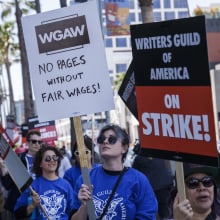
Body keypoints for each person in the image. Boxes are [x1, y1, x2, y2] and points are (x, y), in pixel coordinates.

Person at [69, 124, 158, 220]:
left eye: (112, 139)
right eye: (101, 139)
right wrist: (84, 206)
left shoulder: (139, 180)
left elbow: (147, 216)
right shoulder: (85, 179)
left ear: (124, 148)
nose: (105, 141)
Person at [14, 146, 75, 219]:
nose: (52, 160)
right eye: (47, 158)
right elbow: (17, 213)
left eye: (54, 157)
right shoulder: (33, 186)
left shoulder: (66, 185)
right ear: (40, 163)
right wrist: (32, 205)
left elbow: (72, 212)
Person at [0, 129, 42, 220]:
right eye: (34, 141)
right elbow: (8, 185)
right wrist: (3, 170)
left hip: (39, 203)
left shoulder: (45, 160)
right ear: (27, 143)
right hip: (20, 203)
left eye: (39, 142)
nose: (37, 144)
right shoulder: (18, 160)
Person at [131, 140, 174, 220]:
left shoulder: (139, 158)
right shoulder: (160, 154)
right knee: (164, 211)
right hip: (165, 186)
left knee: (150, 211)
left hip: (151, 188)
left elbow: (134, 175)